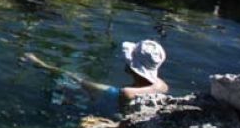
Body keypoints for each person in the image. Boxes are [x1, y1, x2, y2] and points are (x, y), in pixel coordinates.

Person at [23, 39, 168, 106]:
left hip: (113, 106)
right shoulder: (161, 86)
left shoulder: (126, 93)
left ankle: (39, 65)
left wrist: (41, 64)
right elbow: (160, 86)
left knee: (73, 81)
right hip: (120, 98)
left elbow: (77, 80)